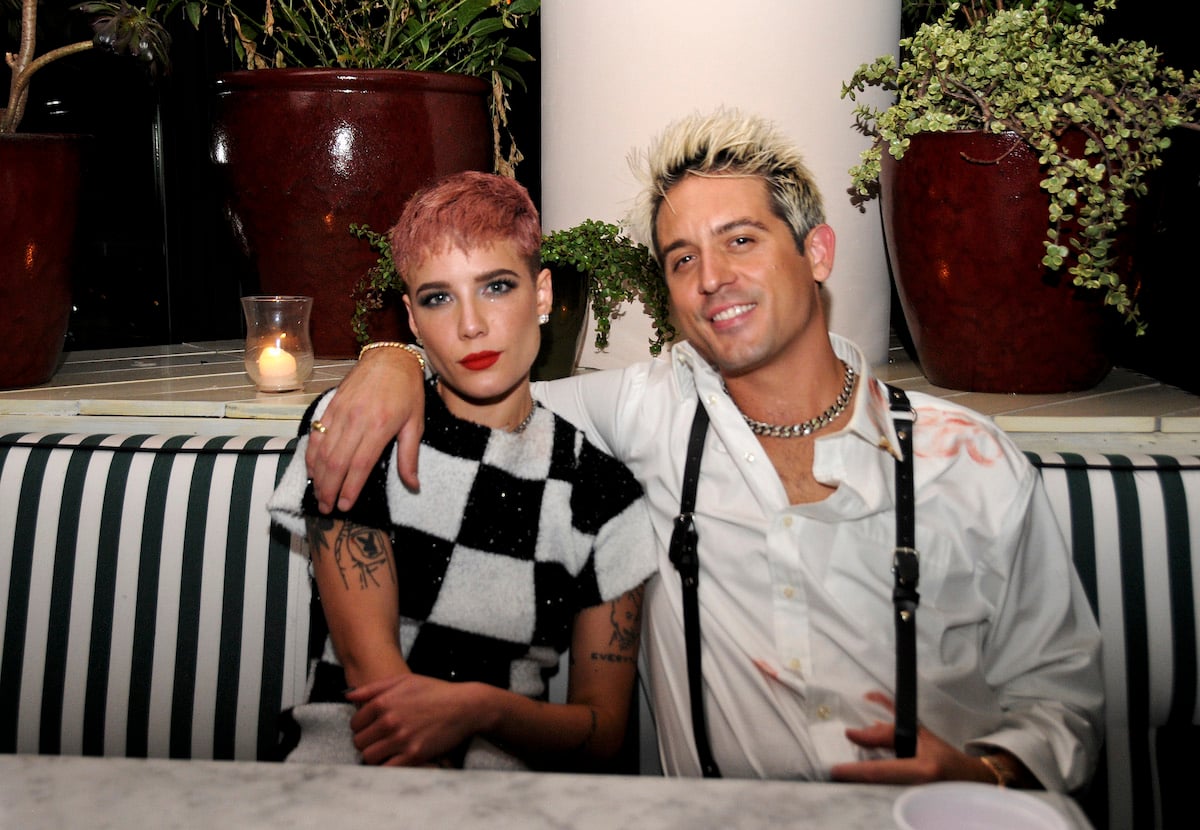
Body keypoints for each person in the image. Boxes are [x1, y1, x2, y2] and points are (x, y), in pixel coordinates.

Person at [302, 110, 1104, 791]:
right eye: (682, 258)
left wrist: (979, 773)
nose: (711, 277)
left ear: (817, 252)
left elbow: (1066, 703)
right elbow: (475, 392)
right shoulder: (645, 414)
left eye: (741, 240)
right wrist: (392, 357)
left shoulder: (967, 461)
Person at [268, 171, 656, 771]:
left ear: (543, 294)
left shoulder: (603, 494)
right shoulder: (358, 428)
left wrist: (482, 709)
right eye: (438, 297)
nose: (470, 324)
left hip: (506, 795)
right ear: (412, 319)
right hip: (341, 776)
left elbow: (603, 733)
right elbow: (377, 680)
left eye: (496, 286)